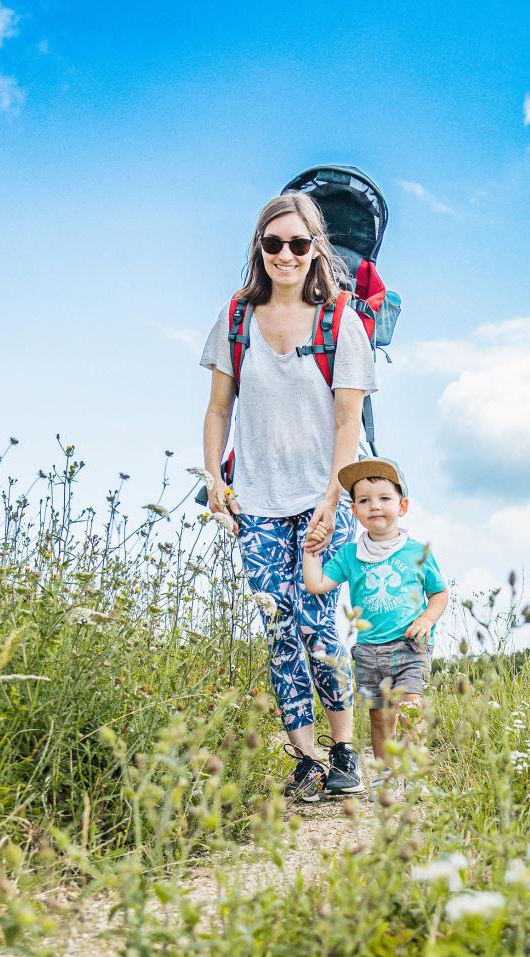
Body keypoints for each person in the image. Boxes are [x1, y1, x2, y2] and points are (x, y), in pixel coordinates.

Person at [201, 192, 373, 802]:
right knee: (279, 629)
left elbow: (347, 421)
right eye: (273, 244)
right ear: (259, 249)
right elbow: (219, 409)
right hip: (256, 502)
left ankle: (345, 751)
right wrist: (215, 480)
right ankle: (305, 761)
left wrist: (334, 498)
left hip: (319, 497)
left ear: (314, 249)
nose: (285, 255)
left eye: (298, 244)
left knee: (319, 627)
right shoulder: (236, 320)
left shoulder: (339, 323)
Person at [302, 458, 446, 770]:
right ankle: (385, 774)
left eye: (384, 498)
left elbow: (439, 594)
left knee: (410, 709)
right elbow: (316, 584)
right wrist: (310, 552)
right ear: (354, 511)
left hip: (410, 646)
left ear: (402, 505)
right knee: (380, 719)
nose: (375, 506)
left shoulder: (417, 552)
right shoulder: (349, 555)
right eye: (364, 500)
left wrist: (426, 619)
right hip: (368, 651)